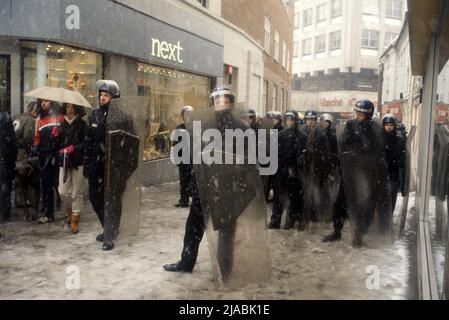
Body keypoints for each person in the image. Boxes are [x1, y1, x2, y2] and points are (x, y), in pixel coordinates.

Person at [163, 85, 248, 276]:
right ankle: (186, 261)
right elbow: (196, 158)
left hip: (228, 189)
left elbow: (247, 163)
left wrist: (239, 188)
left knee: (226, 232)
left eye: (225, 100)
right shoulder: (203, 125)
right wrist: (195, 184)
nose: (221, 104)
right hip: (205, 187)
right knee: (193, 227)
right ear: (212, 103)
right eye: (217, 100)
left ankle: (225, 270)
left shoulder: (241, 128)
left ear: (231, 103)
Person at [327, 100, 391, 247]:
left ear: (368, 115)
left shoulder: (375, 129)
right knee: (340, 204)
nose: (358, 116)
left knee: (364, 206)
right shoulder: (351, 125)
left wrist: (362, 151)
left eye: (361, 114)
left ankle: (360, 234)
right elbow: (343, 143)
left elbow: (376, 152)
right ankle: (337, 231)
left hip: (366, 175)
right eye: (357, 113)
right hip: (349, 173)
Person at [84, 80, 136, 251]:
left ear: (114, 98)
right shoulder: (95, 115)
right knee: (95, 197)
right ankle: (107, 226)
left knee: (112, 202)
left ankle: (110, 234)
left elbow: (131, 145)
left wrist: (126, 170)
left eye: (106, 95)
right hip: (97, 167)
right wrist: (87, 164)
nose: (102, 98)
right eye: (101, 95)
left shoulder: (123, 118)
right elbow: (88, 142)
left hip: (115, 169)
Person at [268, 111, 307, 229]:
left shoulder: (302, 136)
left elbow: (304, 154)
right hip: (281, 171)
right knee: (278, 198)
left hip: (295, 171)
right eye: (287, 119)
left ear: (295, 121)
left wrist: (301, 158)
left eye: (292, 119)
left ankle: (289, 222)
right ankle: (275, 222)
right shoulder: (280, 135)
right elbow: (273, 154)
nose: (289, 122)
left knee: (293, 198)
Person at [32, 99, 64, 224]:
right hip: (44, 156)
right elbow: (37, 138)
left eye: (46, 102)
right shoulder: (40, 121)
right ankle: (48, 213)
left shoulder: (59, 118)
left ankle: (68, 211)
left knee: (60, 186)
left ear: (52, 103)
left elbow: (64, 136)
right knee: (46, 185)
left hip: (57, 156)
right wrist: (35, 146)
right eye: (42, 102)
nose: (43, 104)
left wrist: (59, 135)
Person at [58, 103, 87, 234]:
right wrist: (55, 137)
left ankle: (75, 218)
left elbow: (85, 143)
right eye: (68, 107)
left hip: (78, 161)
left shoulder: (82, 124)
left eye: (73, 107)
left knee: (77, 192)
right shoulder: (61, 124)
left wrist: (74, 148)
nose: (70, 110)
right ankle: (69, 211)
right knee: (63, 191)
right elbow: (56, 145)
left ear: (77, 109)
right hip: (64, 162)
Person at [382, 114, 406, 214]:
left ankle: (389, 216)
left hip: (393, 173)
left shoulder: (399, 140)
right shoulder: (379, 139)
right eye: (387, 125)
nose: (389, 127)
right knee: (382, 198)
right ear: (383, 126)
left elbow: (401, 157)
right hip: (381, 174)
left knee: (392, 197)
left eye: (391, 125)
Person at [173, 106, 194, 208]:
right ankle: (184, 200)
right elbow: (176, 144)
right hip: (184, 158)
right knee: (184, 180)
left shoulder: (197, 127)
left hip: (194, 159)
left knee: (195, 180)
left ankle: (196, 199)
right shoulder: (180, 127)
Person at [0, 111, 18, 223]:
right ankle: (5, 210)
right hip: (6, 162)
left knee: (4, 187)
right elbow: (13, 148)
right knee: (5, 187)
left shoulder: (7, 135)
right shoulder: (9, 134)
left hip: (4, 161)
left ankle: (5, 210)